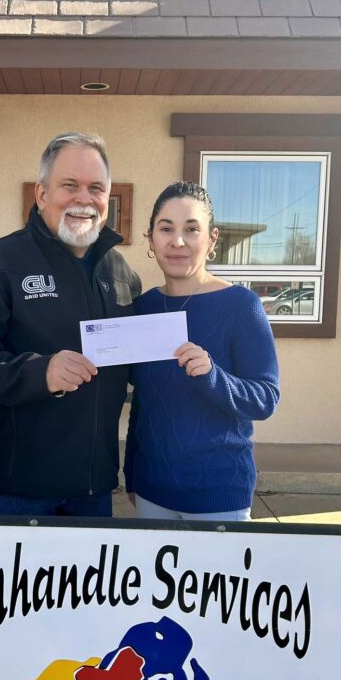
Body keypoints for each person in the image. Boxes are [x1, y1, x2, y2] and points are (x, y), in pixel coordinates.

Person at [0, 131, 140, 517]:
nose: (84, 198)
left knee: (88, 581)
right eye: (70, 185)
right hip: (16, 488)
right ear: (42, 194)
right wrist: (39, 371)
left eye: (96, 188)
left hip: (93, 486)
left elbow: (132, 361)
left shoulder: (120, 273)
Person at [124, 180, 280, 522]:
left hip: (219, 494)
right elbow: (143, 403)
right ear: (151, 239)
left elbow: (265, 399)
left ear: (212, 240)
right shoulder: (144, 307)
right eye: (166, 229)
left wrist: (212, 375)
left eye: (192, 229)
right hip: (153, 493)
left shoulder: (241, 306)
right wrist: (131, 475)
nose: (178, 241)